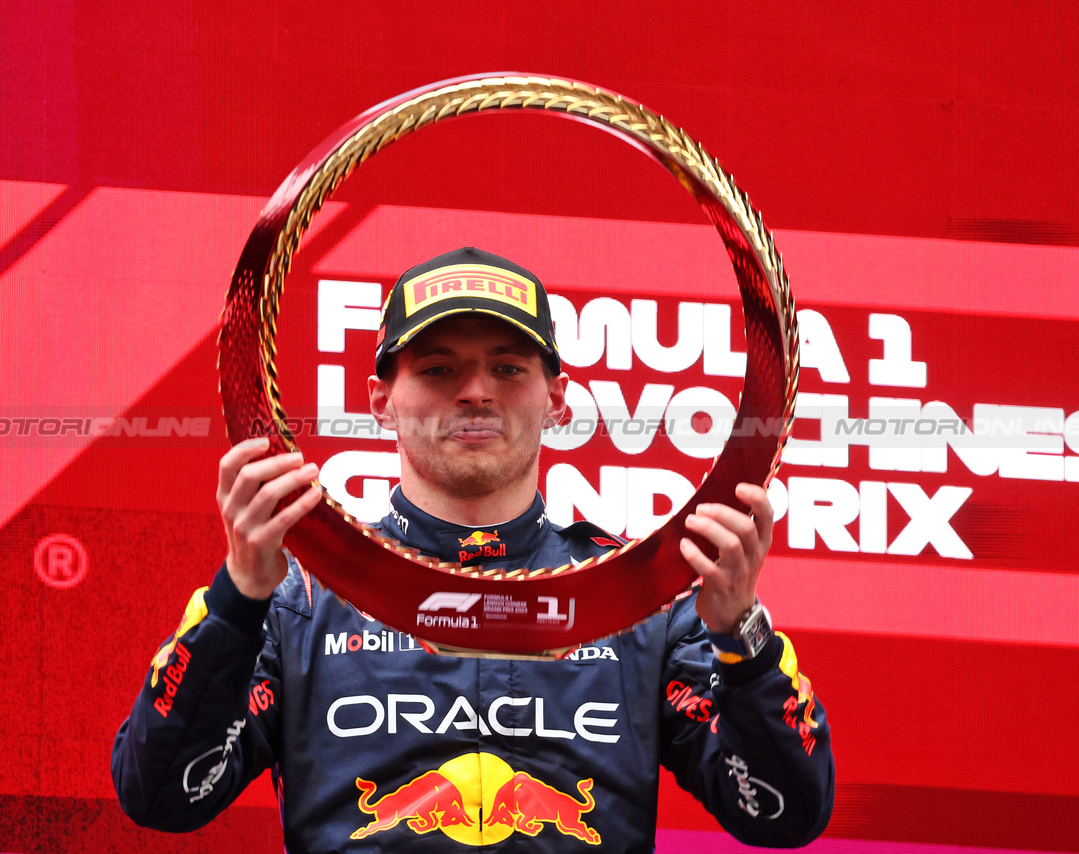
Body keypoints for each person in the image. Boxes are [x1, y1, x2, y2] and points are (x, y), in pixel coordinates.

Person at [112, 247, 833, 851]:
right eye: (437, 369)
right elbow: (162, 795)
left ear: (558, 398)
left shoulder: (637, 600)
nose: (476, 392)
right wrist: (238, 597)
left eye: (509, 367)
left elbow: (784, 815)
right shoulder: (302, 595)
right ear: (378, 399)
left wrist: (742, 635)